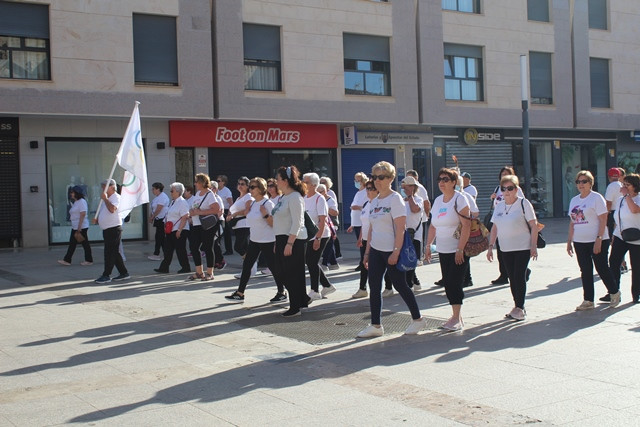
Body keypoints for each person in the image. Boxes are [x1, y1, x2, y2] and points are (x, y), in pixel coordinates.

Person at [358, 161, 427, 338]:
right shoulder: (374, 200)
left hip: (391, 249)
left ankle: (418, 319)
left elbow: (400, 228)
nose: (377, 180)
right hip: (375, 249)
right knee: (374, 286)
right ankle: (375, 325)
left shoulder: (395, 198)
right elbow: (371, 228)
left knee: (400, 285)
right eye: (375, 177)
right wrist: (366, 252)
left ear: (390, 178)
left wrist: (396, 251)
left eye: (381, 177)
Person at [225, 177, 287, 303]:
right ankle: (240, 293)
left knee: (273, 267)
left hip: (267, 241)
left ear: (261, 189)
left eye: (253, 187)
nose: (250, 189)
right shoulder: (253, 203)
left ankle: (282, 292)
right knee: (247, 265)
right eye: (250, 187)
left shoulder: (268, 204)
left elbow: (275, 223)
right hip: (255, 240)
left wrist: (265, 215)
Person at [487, 175, 538, 321]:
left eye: (510, 188)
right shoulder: (500, 206)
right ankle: (517, 305)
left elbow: (533, 225)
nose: (507, 191)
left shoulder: (524, 203)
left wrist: (533, 246)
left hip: (522, 247)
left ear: (516, 189)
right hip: (505, 248)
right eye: (504, 189)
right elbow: (495, 227)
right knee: (511, 278)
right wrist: (491, 246)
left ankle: (520, 307)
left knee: (518, 276)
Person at [567, 170, 620, 310]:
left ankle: (614, 292)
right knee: (585, 270)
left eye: (584, 181)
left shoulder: (596, 198)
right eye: (578, 182)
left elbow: (603, 219)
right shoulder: (574, 200)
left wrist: (599, 238)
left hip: (597, 240)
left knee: (601, 267)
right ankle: (588, 300)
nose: (581, 184)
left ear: (591, 183)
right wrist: (569, 241)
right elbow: (572, 222)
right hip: (579, 241)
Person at [425, 168, 470, 331]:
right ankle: (456, 316)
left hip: (458, 249)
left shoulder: (460, 199)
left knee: (454, 283)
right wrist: (428, 245)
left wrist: (460, 249)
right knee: (448, 284)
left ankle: (456, 318)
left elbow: (467, 225)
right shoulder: (437, 201)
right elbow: (433, 226)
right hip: (443, 249)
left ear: (453, 182)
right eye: (440, 179)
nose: (441, 183)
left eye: (445, 179)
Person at [270, 166, 309, 317]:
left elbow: (297, 222)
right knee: (281, 272)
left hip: (293, 239)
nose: (276, 182)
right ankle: (301, 298)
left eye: (278, 179)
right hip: (281, 238)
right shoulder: (283, 197)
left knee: (290, 273)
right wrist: (276, 242)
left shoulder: (295, 197)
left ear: (285, 181)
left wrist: (290, 242)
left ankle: (295, 307)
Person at [352, 180, 394, 299]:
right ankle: (362, 288)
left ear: (377, 190)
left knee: (384, 266)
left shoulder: (380, 203)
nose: (368, 191)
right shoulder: (366, 204)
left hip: (376, 240)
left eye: (371, 189)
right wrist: (360, 237)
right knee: (363, 264)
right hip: (366, 239)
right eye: (367, 189)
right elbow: (364, 223)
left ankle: (388, 287)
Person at [303, 173, 336, 300]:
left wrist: (318, 238)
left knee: (312, 261)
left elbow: (322, 220)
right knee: (310, 261)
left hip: (321, 235)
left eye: (306, 182)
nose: (303, 184)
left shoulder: (319, 199)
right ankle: (327, 285)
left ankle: (315, 290)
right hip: (308, 235)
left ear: (314, 185)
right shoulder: (304, 197)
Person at [489, 166, 525, 285]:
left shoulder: (516, 189)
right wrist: (493, 198)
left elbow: (522, 203)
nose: (504, 176)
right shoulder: (498, 188)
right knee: (501, 251)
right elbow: (496, 204)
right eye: (502, 174)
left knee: (513, 253)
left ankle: (522, 271)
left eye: (506, 174)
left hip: (513, 222)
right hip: (500, 221)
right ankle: (504, 275)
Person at [609, 173, 640, 304]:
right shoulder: (621, 199)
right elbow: (617, 216)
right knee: (614, 262)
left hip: (636, 237)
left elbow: (634, 210)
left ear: (635, 186)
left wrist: (627, 195)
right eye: (624, 185)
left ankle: (636, 294)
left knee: (637, 266)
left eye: (627, 185)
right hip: (620, 235)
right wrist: (614, 234)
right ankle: (614, 291)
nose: (624, 188)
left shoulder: (637, 198)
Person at [93, 179, 129, 283]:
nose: (103, 188)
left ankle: (106, 274)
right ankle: (123, 272)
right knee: (114, 252)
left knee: (109, 252)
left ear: (112, 187)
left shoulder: (116, 197)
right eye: (102, 186)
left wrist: (105, 199)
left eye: (105, 186)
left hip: (114, 228)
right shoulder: (107, 199)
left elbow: (112, 209)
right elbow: (106, 213)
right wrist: (98, 220)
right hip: (107, 229)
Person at [188, 173, 220, 281]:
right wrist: (192, 212)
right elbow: (195, 207)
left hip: (207, 225)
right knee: (193, 247)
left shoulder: (209, 194)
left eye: (196, 181)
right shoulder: (197, 194)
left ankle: (210, 273)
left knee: (207, 247)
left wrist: (201, 212)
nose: (195, 183)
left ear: (202, 182)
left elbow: (216, 209)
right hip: (196, 224)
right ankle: (199, 272)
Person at [154, 182, 191, 274]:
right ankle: (164, 267)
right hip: (171, 229)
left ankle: (185, 267)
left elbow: (185, 216)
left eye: (172, 191)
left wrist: (179, 230)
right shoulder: (173, 202)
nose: (170, 193)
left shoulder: (182, 202)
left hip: (179, 229)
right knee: (168, 249)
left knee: (180, 249)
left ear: (178, 192)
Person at [58, 186, 93, 266]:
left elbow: (83, 214)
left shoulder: (82, 202)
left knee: (83, 243)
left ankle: (88, 260)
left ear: (77, 193)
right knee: (74, 243)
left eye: (72, 192)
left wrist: (79, 227)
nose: (71, 194)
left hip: (81, 227)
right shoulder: (76, 202)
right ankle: (67, 260)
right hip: (76, 226)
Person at [400, 176, 424, 292]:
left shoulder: (418, 200)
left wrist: (410, 196)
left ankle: (409, 286)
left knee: (410, 262)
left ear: (413, 187)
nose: (403, 189)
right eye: (402, 187)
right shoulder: (400, 201)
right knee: (404, 262)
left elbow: (415, 209)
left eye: (406, 187)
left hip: (414, 236)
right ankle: (415, 282)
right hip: (402, 236)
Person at [227, 176, 253, 260]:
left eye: (242, 184)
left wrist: (234, 214)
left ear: (247, 186)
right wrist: (230, 215)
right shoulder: (238, 198)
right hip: (237, 225)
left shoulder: (248, 196)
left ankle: (250, 262)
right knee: (244, 247)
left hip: (244, 224)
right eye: (239, 184)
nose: (240, 186)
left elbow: (247, 210)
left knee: (238, 247)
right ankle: (249, 266)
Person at [406, 169, 431, 254]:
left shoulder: (420, 188)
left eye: (410, 177)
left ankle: (421, 254)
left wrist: (427, 214)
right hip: (408, 222)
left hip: (420, 219)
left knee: (419, 240)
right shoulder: (405, 187)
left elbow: (426, 203)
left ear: (416, 178)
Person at [349, 172, 369, 272]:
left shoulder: (366, 192)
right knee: (360, 244)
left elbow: (367, 206)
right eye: (355, 180)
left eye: (358, 180)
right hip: (356, 222)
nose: (356, 182)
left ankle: (363, 262)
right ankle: (362, 261)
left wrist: (357, 207)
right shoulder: (358, 192)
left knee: (362, 243)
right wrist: (352, 225)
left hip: (362, 222)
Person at [318, 184, 340, 270]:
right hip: (322, 224)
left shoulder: (330, 200)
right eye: (318, 191)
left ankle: (325, 263)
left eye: (321, 191)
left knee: (328, 243)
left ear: (325, 191)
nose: (320, 193)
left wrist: (325, 208)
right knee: (328, 244)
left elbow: (335, 212)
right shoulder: (319, 199)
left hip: (331, 224)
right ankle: (334, 262)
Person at [320, 176, 342, 259]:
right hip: (324, 220)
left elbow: (334, 208)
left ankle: (337, 254)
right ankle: (331, 258)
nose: (322, 184)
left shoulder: (331, 193)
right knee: (331, 238)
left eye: (323, 182)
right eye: (320, 182)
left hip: (331, 219)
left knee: (333, 238)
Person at [148, 182, 169, 261]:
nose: (152, 191)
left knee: (160, 237)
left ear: (158, 189)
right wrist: (152, 216)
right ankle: (164, 253)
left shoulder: (162, 197)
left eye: (153, 189)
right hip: (158, 219)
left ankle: (157, 253)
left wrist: (152, 217)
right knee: (160, 237)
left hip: (162, 219)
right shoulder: (157, 197)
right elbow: (154, 208)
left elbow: (159, 209)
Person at [210, 181, 227, 271]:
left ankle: (221, 261)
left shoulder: (217, 198)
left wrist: (215, 218)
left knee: (216, 243)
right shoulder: (208, 198)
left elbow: (221, 211)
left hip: (218, 222)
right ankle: (216, 261)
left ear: (215, 189)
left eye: (211, 188)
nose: (209, 190)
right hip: (210, 223)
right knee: (212, 243)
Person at [217, 175, 235, 255]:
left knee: (226, 231)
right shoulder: (217, 190)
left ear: (223, 182)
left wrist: (229, 213)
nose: (217, 182)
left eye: (219, 181)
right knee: (218, 231)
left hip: (226, 211)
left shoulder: (226, 191)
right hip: (218, 212)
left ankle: (229, 250)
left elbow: (231, 203)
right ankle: (218, 248)